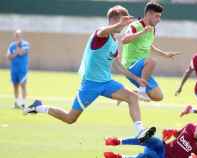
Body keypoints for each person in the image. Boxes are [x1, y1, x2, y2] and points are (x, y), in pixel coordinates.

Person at [24, 5, 152, 136]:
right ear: (113, 21)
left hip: (107, 83)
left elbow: (118, 66)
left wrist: (137, 79)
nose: (124, 26)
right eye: (122, 22)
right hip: (90, 85)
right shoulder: (101, 35)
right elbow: (102, 31)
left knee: (132, 97)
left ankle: (140, 131)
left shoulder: (114, 42)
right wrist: (118, 24)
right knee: (70, 118)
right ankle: (39, 107)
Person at [121, 2, 180, 102]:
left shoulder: (152, 29)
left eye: (160, 16)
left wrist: (165, 54)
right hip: (130, 66)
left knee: (158, 96)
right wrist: (142, 32)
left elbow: (149, 46)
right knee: (151, 61)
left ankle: (129, 93)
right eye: (157, 16)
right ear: (148, 14)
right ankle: (142, 91)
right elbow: (124, 40)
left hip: (143, 69)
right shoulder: (135, 26)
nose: (159, 20)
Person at [104, 118, 197, 158]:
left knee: (146, 156)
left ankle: (119, 157)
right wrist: (172, 131)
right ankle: (118, 141)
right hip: (163, 147)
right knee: (151, 139)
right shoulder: (190, 126)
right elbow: (178, 134)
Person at [7, 29, 30, 109]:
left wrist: (16, 50)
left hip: (22, 69)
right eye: (16, 35)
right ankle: (17, 102)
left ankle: (24, 103)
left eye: (19, 35)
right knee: (15, 85)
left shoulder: (25, 44)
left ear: (21, 36)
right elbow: (9, 57)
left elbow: (21, 53)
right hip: (14, 69)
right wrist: (14, 53)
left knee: (23, 85)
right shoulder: (11, 45)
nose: (17, 37)